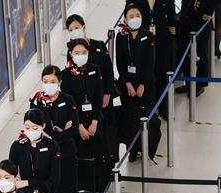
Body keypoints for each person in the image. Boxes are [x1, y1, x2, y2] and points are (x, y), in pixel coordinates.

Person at [65, 14, 119, 165]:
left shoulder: (99, 45)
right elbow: (71, 82)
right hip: (85, 104)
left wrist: (107, 93)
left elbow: (109, 71)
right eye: (71, 29)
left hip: (103, 99)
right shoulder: (71, 53)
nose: (74, 31)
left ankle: (111, 162)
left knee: (108, 131)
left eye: (76, 27)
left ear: (84, 27)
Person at [29, 65, 80, 193]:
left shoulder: (68, 100)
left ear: (59, 82)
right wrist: (63, 131)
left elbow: (74, 129)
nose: (48, 85)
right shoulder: (37, 101)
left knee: (68, 187)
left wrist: (50, 136)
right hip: (45, 155)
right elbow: (34, 127)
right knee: (50, 189)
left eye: (52, 81)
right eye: (45, 81)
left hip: (67, 153)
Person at [60, 39, 106, 192]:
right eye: (76, 53)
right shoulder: (65, 75)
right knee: (79, 162)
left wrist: (94, 122)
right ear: (70, 54)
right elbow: (69, 103)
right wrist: (79, 126)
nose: (80, 56)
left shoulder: (95, 69)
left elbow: (99, 97)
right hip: (77, 127)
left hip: (94, 123)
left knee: (98, 158)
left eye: (84, 53)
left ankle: (99, 192)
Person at [116, 3, 155, 162]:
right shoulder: (121, 36)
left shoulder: (148, 36)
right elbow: (120, 62)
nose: (135, 19)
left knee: (145, 116)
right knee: (129, 118)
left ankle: (145, 147)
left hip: (145, 84)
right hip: (127, 85)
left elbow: (149, 63)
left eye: (137, 15)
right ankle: (131, 148)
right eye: (131, 16)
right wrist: (128, 84)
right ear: (125, 19)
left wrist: (142, 85)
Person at [125, 0, 176, 119]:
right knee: (146, 73)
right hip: (142, 41)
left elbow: (171, 17)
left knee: (163, 74)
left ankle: (164, 106)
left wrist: (172, 37)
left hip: (163, 40)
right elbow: (128, 14)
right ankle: (148, 107)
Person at [176, 0, 215, 97]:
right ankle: (189, 82)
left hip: (201, 23)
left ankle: (200, 84)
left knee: (202, 54)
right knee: (182, 52)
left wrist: (203, 22)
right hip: (185, 22)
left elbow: (210, 6)